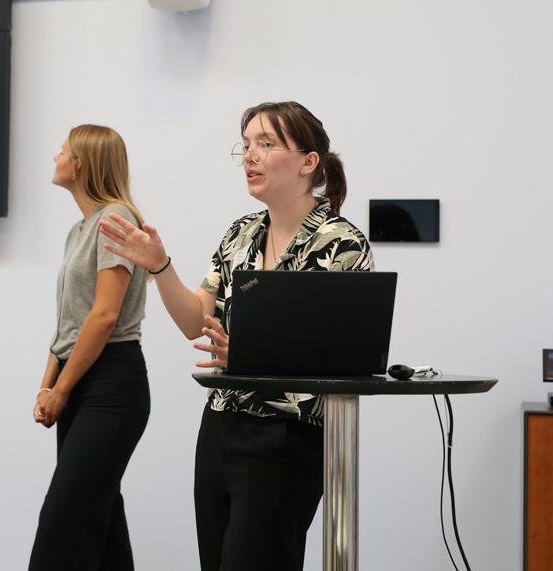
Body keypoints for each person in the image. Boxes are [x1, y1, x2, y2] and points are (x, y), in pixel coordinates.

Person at [98, 101, 373, 571]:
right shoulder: (240, 234)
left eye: (265, 144)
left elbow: (342, 355)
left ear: (309, 162)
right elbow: (195, 323)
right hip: (221, 427)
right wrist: (160, 266)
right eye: (245, 145)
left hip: (287, 436)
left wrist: (248, 354)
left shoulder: (342, 244)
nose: (250, 156)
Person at [29, 124, 151, 571]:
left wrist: (60, 391)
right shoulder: (80, 229)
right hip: (79, 379)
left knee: (65, 521)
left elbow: (103, 317)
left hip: (111, 385)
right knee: (100, 523)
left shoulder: (116, 218)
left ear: (79, 164)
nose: (55, 158)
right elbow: (69, 323)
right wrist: (48, 387)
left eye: (61, 152)